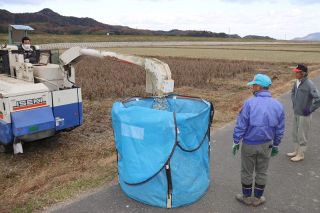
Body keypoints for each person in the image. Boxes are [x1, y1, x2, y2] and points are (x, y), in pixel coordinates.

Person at [232, 74, 285, 206]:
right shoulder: (278, 105)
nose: (252, 87)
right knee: (262, 171)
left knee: (247, 171)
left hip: (249, 144)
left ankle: (246, 197)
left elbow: (241, 124)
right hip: (267, 144)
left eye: (254, 85)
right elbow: (280, 128)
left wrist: (236, 140)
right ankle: (257, 198)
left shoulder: (249, 103)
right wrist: (276, 144)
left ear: (259, 87)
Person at [287, 64, 320, 162]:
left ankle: (301, 154)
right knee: (295, 133)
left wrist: (310, 109)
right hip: (296, 112)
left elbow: (318, 98)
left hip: (305, 114)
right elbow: (292, 92)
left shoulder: (309, 84)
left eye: (297, 72)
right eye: (296, 72)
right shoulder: (297, 82)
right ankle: (296, 151)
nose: (295, 74)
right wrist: (295, 102)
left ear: (303, 73)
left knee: (302, 135)